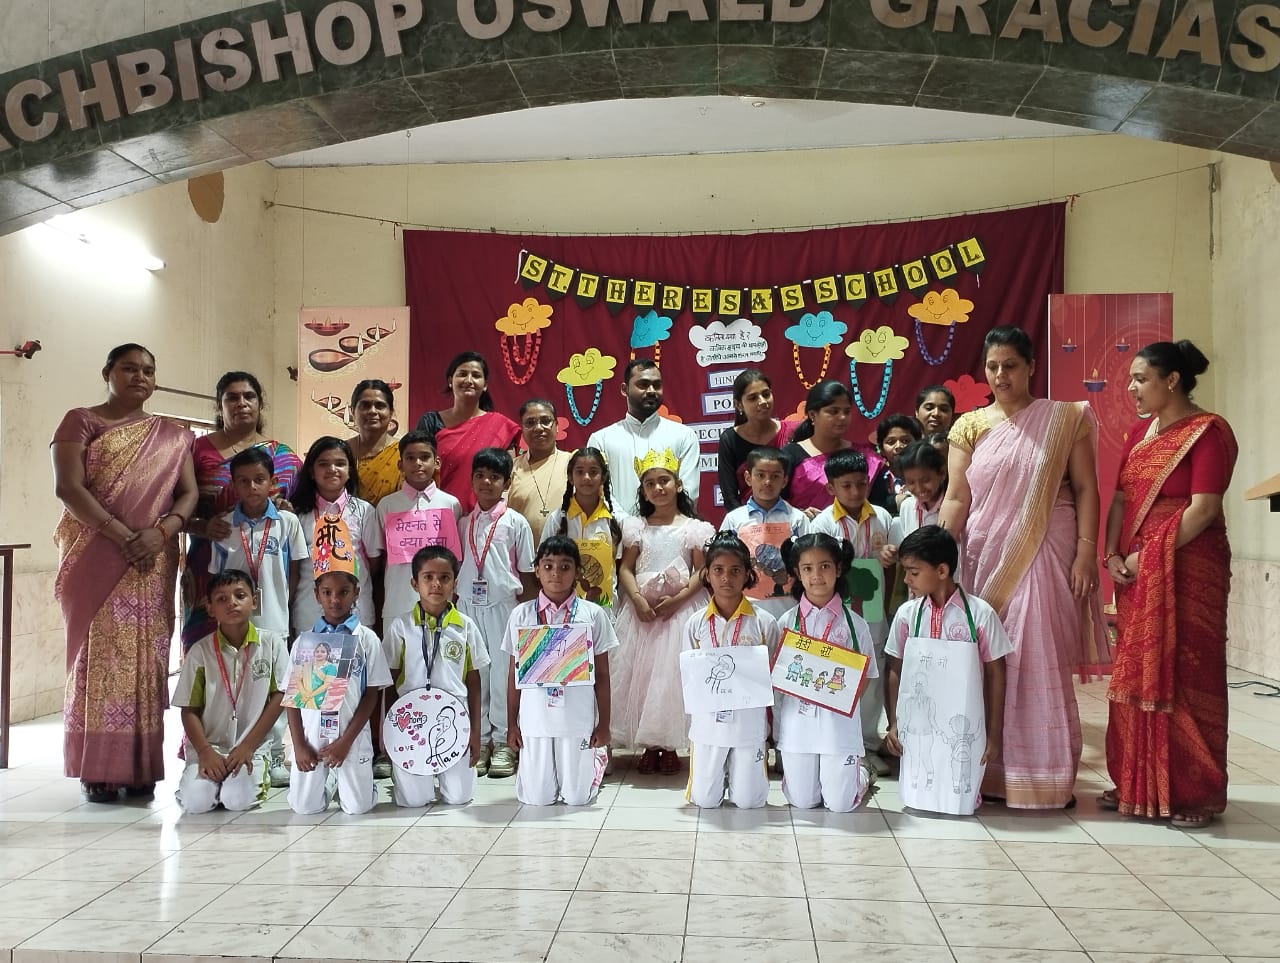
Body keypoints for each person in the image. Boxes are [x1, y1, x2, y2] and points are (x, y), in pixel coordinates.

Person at [939, 325, 1109, 810]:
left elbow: (1086, 489)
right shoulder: (969, 426)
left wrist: (1086, 551)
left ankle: (1044, 777)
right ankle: (990, 774)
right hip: (984, 554)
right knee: (988, 658)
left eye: (1010, 365)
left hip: (1047, 551)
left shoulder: (1064, 419)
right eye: (992, 366)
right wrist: (936, 553)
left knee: (1036, 654)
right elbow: (957, 497)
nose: (1000, 375)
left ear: (1032, 366)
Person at [51, 343, 198, 802]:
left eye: (148, 371)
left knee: (148, 658)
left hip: (152, 562)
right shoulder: (80, 421)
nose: (140, 377)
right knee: (99, 657)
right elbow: (68, 488)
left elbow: (188, 494)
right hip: (96, 554)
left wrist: (160, 532)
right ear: (107, 373)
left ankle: (139, 767)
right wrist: (123, 535)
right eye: (129, 368)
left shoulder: (173, 435)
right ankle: (98, 769)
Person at [1099, 340, 1237, 828]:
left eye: (1141, 379)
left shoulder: (1208, 432)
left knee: (1186, 672)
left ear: (1172, 380)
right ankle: (1135, 783)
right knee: (1137, 669)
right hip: (1139, 567)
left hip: (1190, 565)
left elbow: (1204, 508)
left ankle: (1194, 793)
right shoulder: (1140, 434)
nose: (1132, 389)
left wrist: (1148, 556)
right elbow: (1120, 500)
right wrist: (1113, 554)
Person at [885, 526, 1011, 816]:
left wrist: (993, 733)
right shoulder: (907, 615)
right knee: (920, 774)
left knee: (959, 779)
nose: (906, 580)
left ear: (942, 570)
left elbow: (997, 673)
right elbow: (894, 668)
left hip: (963, 721)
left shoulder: (980, 614)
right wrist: (893, 722)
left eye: (913, 572)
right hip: (919, 723)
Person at [208, 446, 309, 787]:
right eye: (243, 481)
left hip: (275, 620)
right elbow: (217, 577)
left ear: (272, 482)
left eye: (259, 479)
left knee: (277, 687)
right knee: (239, 688)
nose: (252, 487)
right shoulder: (223, 527)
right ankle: (240, 748)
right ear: (234, 484)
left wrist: (285, 606)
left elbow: (295, 570)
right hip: (236, 624)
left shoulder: (287, 522)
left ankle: (276, 754)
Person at [183, 371, 302, 650]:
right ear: (219, 406)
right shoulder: (195, 451)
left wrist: (289, 507)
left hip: (270, 573)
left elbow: (302, 511)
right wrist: (202, 526)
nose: (241, 403)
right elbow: (170, 508)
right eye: (232, 398)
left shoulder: (283, 457)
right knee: (208, 652)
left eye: (249, 396)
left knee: (264, 654)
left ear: (260, 404)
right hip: (209, 565)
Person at [612, 449, 714, 773]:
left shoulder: (694, 528)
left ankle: (670, 745)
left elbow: (701, 571)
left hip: (678, 612)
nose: (658, 488)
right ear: (643, 492)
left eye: (664, 481)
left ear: (679, 484)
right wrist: (637, 599)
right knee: (642, 678)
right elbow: (625, 568)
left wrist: (678, 599)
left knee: (672, 678)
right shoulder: (637, 528)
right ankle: (650, 745)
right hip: (643, 613)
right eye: (650, 484)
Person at [505, 537, 619, 806]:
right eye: (548, 566)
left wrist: (604, 724)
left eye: (565, 566)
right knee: (537, 798)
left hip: (576, 718)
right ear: (536, 570)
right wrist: (512, 724)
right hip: (535, 720)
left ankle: (596, 759)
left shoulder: (592, 614)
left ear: (578, 572)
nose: (556, 573)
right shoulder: (521, 615)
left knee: (578, 798)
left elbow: (603, 674)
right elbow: (513, 675)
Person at [809, 448, 898, 772]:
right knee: (837, 676)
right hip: (837, 611)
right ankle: (834, 742)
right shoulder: (822, 522)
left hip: (873, 609)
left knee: (872, 677)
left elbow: (895, 563)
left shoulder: (882, 518)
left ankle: (867, 745)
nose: (855, 491)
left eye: (861, 484)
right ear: (831, 487)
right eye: (846, 485)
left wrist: (890, 555)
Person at [776, 533, 878, 812]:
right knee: (802, 802)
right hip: (798, 723)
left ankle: (863, 772)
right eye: (807, 568)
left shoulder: (855, 625)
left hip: (838, 725)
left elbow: (867, 674)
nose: (817, 576)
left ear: (839, 568)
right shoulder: (786, 622)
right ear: (797, 573)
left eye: (824, 566)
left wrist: (841, 701)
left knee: (840, 804)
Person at [287, 545, 392, 815]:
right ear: (316, 595)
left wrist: (345, 742)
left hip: (351, 734)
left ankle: (359, 784)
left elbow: (372, 694)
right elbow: (292, 700)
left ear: (356, 593)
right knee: (304, 808)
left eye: (343, 592)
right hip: (312, 735)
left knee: (358, 808)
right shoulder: (305, 642)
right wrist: (299, 745)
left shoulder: (367, 639)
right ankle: (330, 782)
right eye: (327, 593)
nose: (335, 599)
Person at [174, 569, 289, 813]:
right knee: (196, 802)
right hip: (210, 746)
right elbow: (188, 710)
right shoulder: (200, 652)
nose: (232, 603)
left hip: (251, 747)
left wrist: (248, 745)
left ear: (254, 601)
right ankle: (200, 786)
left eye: (240, 596)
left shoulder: (272, 644)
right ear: (210, 608)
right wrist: (205, 752)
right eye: (222, 599)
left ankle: (236, 783)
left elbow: (280, 696)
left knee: (237, 801)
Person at [382, 546, 486, 807]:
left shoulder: (465, 626)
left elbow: (474, 682)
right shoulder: (401, 626)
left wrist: (475, 732)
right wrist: (389, 729)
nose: (436, 584)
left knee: (459, 798)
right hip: (411, 719)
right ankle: (403, 778)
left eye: (444, 577)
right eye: (428, 577)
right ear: (414, 583)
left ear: (454, 583)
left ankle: (447, 776)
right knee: (414, 801)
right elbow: (390, 681)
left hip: (455, 717)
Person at [682, 532, 779, 809]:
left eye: (735, 571)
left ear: (748, 574)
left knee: (749, 802)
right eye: (718, 570)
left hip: (749, 725)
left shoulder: (763, 622)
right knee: (705, 801)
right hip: (708, 726)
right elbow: (689, 676)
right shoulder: (695, 623)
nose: (727, 578)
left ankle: (739, 775)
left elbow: (773, 676)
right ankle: (718, 775)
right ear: (707, 574)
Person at [457, 448, 536, 779]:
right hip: (468, 605)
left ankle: (504, 741)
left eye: (494, 477)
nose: (486, 482)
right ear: (472, 479)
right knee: (476, 673)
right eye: (480, 475)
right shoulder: (463, 522)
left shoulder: (516, 523)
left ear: (506, 482)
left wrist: (528, 617)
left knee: (505, 673)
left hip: (504, 605)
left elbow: (527, 573)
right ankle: (480, 740)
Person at [290, 437, 384, 633]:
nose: (332, 469)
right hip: (309, 615)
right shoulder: (298, 516)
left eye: (340, 463)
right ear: (311, 472)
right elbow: (294, 569)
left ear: (350, 471)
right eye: (323, 464)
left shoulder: (365, 511)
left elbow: (374, 563)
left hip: (357, 614)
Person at [587, 359, 699, 517]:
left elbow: (688, 493)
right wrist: (627, 525)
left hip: (672, 529)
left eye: (657, 385)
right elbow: (599, 493)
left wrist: (661, 525)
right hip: (616, 530)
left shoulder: (684, 436)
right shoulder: (601, 440)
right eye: (643, 384)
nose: (652, 391)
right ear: (624, 389)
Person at [376, 431, 463, 625]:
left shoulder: (451, 504)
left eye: (424, 457)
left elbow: (456, 556)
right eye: (410, 458)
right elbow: (378, 557)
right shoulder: (387, 505)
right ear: (400, 465)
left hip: (440, 603)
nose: (417, 463)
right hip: (397, 603)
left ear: (436, 462)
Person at [416, 352, 520, 512]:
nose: (469, 380)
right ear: (450, 381)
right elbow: (418, 470)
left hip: (484, 517)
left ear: (485, 385)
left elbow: (506, 477)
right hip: (436, 514)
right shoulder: (431, 422)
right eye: (462, 374)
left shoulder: (501, 427)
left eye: (476, 375)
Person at [719, 448, 810, 622]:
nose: (767, 482)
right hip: (746, 609)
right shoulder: (734, 519)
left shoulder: (798, 519)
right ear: (748, 478)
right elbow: (723, 561)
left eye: (775, 476)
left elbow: (809, 562)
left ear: (785, 480)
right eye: (760, 475)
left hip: (790, 609)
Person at [541, 447, 623, 612]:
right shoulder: (558, 519)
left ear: (603, 477)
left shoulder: (616, 520)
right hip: (563, 606)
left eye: (593, 472)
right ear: (570, 477)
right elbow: (543, 561)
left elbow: (621, 566)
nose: (586, 477)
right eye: (579, 472)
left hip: (606, 608)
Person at [717, 369, 794, 511]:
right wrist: (746, 521)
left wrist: (795, 515)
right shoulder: (730, 440)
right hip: (748, 518)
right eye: (753, 398)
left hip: (791, 516)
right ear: (738, 405)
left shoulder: (791, 432)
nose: (763, 401)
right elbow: (729, 496)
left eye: (766, 394)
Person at [783, 380, 864, 514]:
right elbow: (773, 500)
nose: (842, 417)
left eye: (847, 411)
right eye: (833, 411)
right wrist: (799, 514)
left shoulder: (864, 455)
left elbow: (879, 502)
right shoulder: (790, 455)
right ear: (812, 415)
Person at [508, 398, 573, 544]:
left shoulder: (573, 464)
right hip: (520, 554)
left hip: (566, 553)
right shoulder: (511, 468)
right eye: (530, 423)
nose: (538, 428)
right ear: (522, 430)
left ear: (557, 426)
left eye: (545, 421)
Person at [347, 379, 402, 506]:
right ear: (352, 411)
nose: (372, 411)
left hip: (393, 518)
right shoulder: (341, 452)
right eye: (365, 405)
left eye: (380, 406)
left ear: (391, 412)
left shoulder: (403, 453)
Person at [892, 441, 949, 542]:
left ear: (942, 473)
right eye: (911, 482)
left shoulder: (953, 508)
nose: (919, 489)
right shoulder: (907, 507)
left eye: (925, 480)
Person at [871, 414, 923, 515]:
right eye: (891, 442)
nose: (899, 446)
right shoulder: (876, 479)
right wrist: (895, 502)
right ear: (881, 449)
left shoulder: (929, 473)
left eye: (906, 441)